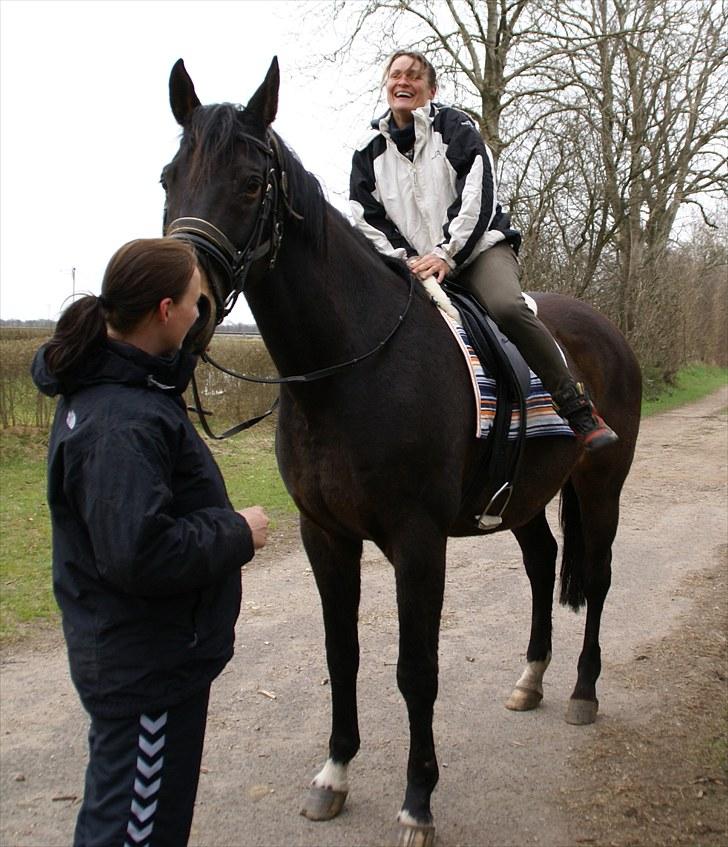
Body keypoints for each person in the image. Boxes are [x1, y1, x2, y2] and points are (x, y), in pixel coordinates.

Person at [31, 237, 270, 846]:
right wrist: (236, 531)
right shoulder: (121, 423)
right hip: (148, 672)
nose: (202, 318)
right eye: (197, 303)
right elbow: (142, 552)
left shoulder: (124, 391)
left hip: (149, 658)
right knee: (132, 833)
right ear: (165, 311)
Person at [350, 49, 618, 451]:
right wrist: (408, 260)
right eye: (395, 75)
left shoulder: (456, 128)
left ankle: (574, 405)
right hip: (413, 264)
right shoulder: (368, 151)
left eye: (414, 77)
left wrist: (445, 253)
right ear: (385, 84)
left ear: (431, 89)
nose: (403, 82)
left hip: (476, 250)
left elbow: (478, 197)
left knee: (507, 306)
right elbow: (365, 219)